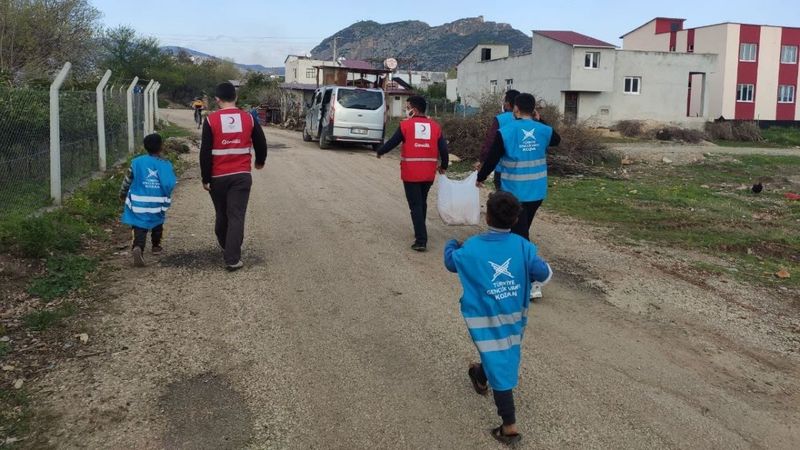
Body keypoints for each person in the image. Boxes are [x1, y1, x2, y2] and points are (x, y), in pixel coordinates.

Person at [444, 191, 552, 446]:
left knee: (498, 360)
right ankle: (480, 376)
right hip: (514, 318)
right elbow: (545, 275)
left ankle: (510, 426)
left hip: (483, 318)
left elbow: (450, 263)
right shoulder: (523, 247)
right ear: (515, 220)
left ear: (487, 216)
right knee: (499, 352)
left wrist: (452, 243)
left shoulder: (471, 247)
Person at [477, 93, 560, 299]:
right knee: (520, 232)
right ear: (533, 110)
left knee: (521, 236)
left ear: (514, 109)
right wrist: (541, 119)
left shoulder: (506, 131)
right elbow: (557, 139)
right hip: (537, 192)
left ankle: (534, 281)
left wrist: (480, 177)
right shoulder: (543, 130)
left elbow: (492, 159)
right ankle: (518, 273)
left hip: (515, 193)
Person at [199, 82, 268, 271]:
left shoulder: (211, 120)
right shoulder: (248, 118)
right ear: (235, 98)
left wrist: (205, 178)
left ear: (217, 100)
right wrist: (259, 161)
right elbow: (261, 143)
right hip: (241, 175)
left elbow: (205, 152)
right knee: (236, 215)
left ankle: (225, 245)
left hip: (217, 176)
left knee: (222, 213)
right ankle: (232, 257)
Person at [376, 95, 449, 252]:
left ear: (414, 110)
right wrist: (444, 165)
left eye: (407, 107)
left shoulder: (405, 126)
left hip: (411, 173)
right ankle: (419, 229)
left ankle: (421, 240)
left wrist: (380, 151)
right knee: (421, 203)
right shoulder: (435, 127)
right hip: (429, 173)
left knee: (415, 205)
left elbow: (392, 142)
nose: (406, 109)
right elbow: (444, 149)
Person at [120, 133, 177, 267]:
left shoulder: (137, 162)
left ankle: (138, 247)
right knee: (157, 221)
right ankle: (156, 246)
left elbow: (128, 180)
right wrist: (166, 194)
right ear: (161, 147)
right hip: (157, 202)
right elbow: (169, 183)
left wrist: (123, 193)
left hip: (138, 201)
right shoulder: (165, 164)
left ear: (145, 147)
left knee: (139, 224)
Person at [475, 89, 520, 190]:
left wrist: (482, 163)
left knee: (504, 202)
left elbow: (490, 143)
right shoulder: (529, 121)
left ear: (508, 104)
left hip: (503, 171)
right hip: (525, 172)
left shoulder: (500, 119)